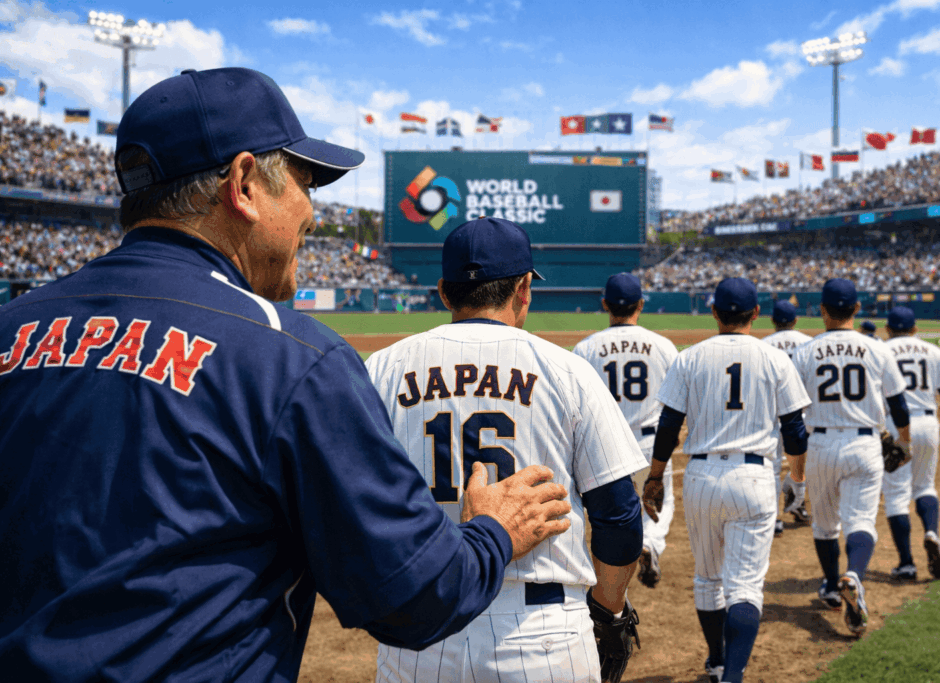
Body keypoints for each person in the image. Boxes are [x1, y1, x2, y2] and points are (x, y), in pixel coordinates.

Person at [0, 68, 573, 681]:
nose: (312, 211)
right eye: (304, 181)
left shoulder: (12, 323)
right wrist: (492, 532)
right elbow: (413, 595)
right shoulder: (289, 355)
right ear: (244, 184)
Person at [364, 217, 648, 683]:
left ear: (443, 292)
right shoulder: (568, 372)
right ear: (523, 289)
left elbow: (351, 505)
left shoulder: (384, 369)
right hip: (542, 630)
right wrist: (608, 610)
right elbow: (618, 515)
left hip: (422, 626)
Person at [645, 278, 810, 683]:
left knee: (707, 580)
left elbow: (668, 424)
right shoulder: (775, 358)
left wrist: (654, 475)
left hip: (701, 475)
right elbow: (795, 431)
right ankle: (732, 675)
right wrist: (798, 478)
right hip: (754, 476)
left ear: (714, 312)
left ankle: (716, 660)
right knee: (746, 588)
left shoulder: (691, 357)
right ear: (756, 314)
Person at [791, 279, 911, 637]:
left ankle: (830, 585)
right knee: (861, 522)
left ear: (822, 310)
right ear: (857, 310)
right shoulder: (876, 348)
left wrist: (794, 463)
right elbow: (898, 406)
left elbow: (793, 413)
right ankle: (854, 574)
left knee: (825, 525)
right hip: (865, 445)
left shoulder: (804, 352)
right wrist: (904, 443)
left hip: (821, 445)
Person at [573, 272, 680, 588]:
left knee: (609, 515)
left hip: (606, 445)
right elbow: (674, 405)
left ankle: (610, 573)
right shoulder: (663, 346)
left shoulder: (586, 349)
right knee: (661, 506)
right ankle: (649, 545)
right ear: (641, 305)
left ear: (605, 303)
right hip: (650, 443)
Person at [882, 307, 940, 582]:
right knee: (925, 485)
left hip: (897, 424)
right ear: (914, 328)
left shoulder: (881, 350)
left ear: (888, 329)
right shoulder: (931, 351)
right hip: (928, 423)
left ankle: (906, 563)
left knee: (895, 495)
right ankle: (932, 533)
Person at [762, 300, 814, 535]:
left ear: (773, 320)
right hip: (803, 413)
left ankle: (773, 521)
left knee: (772, 468)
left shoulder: (762, 345)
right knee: (802, 464)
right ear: (795, 320)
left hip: (772, 414)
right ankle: (798, 505)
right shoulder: (809, 343)